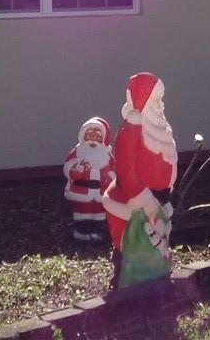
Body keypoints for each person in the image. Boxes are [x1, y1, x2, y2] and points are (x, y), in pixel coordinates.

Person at [102, 71, 178, 286]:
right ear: (142, 100)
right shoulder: (132, 131)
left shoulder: (160, 129)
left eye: (160, 100)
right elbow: (127, 169)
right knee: (132, 241)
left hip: (157, 198)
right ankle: (128, 276)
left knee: (158, 240)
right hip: (135, 198)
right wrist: (144, 199)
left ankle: (156, 270)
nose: (160, 106)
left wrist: (167, 190)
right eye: (156, 100)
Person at [62, 116, 114, 241]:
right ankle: (82, 232)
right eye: (89, 136)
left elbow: (114, 170)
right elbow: (67, 167)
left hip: (100, 192)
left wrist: (110, 178)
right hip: (81, 190)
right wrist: (75, 171)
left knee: (99, 214)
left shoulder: (107, 155)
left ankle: (97, 232)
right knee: (82, 212)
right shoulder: (77, 152)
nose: (92, 140)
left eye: (97, 137)